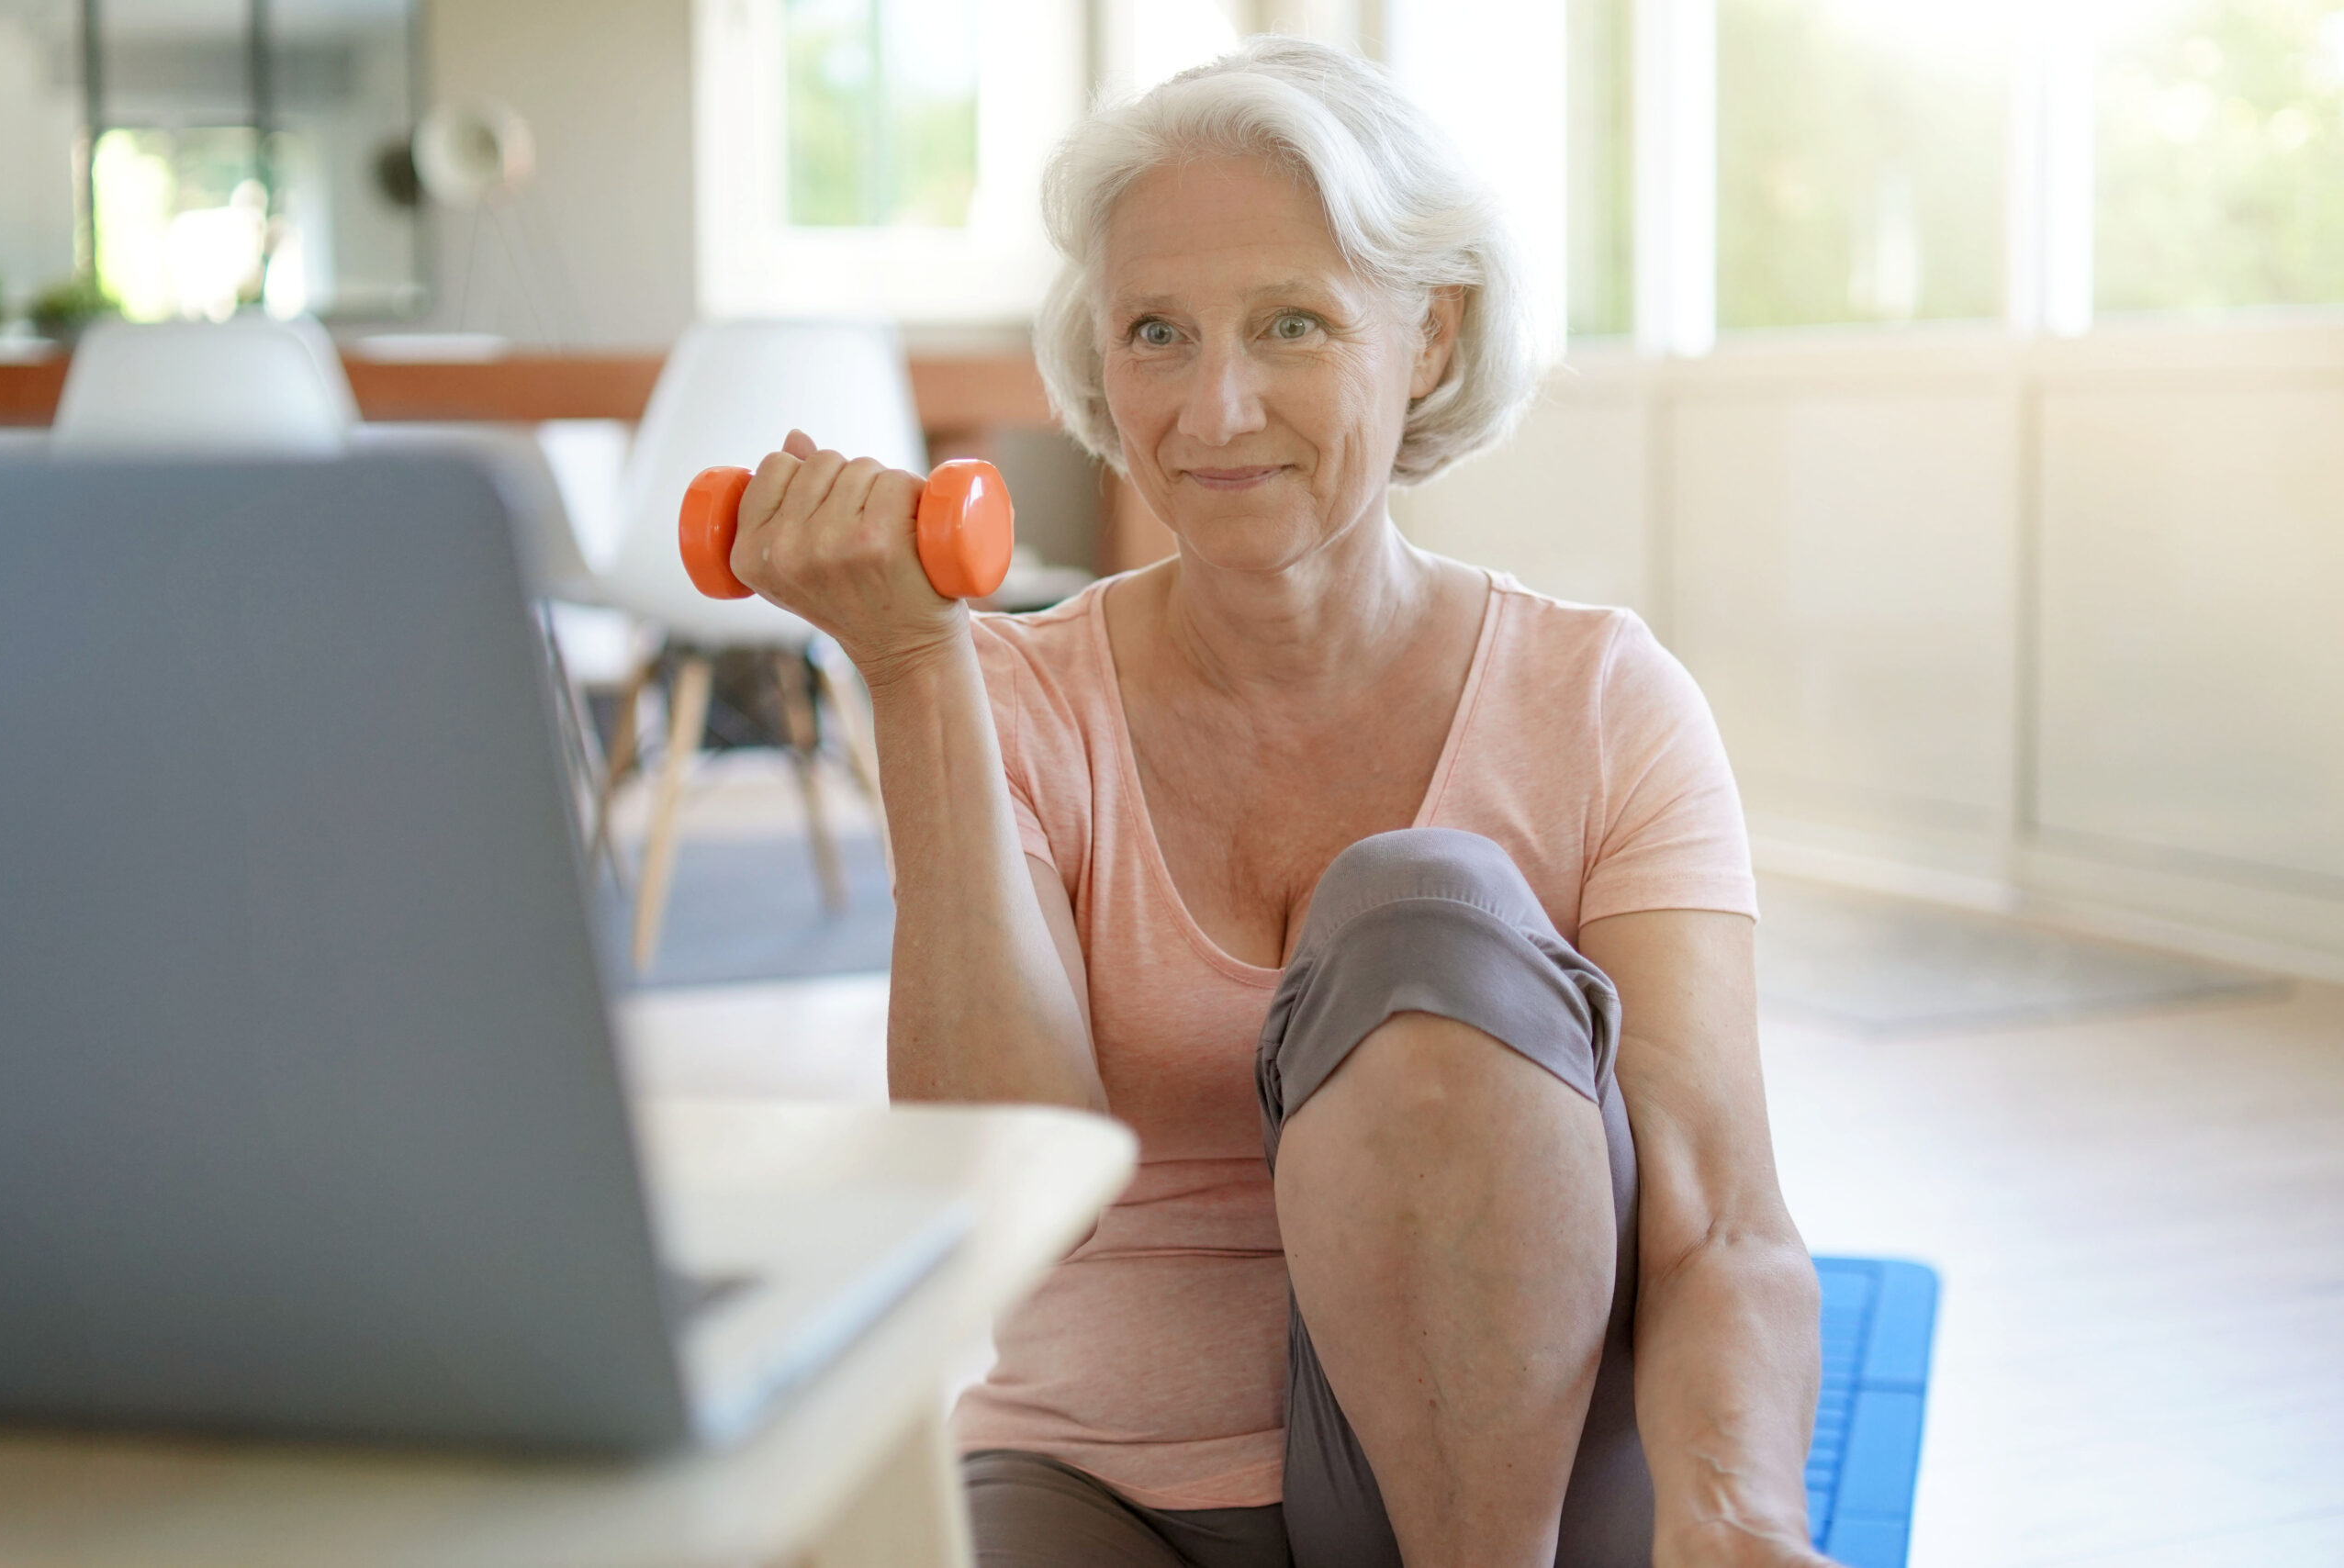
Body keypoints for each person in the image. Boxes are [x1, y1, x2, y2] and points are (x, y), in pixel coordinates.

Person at [723, 36, 1824, 1568]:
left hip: (1496, 1493)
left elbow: (1722, 1219)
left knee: (1414, 910)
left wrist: (1739, 1521)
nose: (1216, 407)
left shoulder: (1601, 701)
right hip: (1102, 1476)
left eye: (1291, 324)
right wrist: (920, 673)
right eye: (1156, 332)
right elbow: (1000, 1167)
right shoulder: (1017, 698)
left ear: (1428, 341)